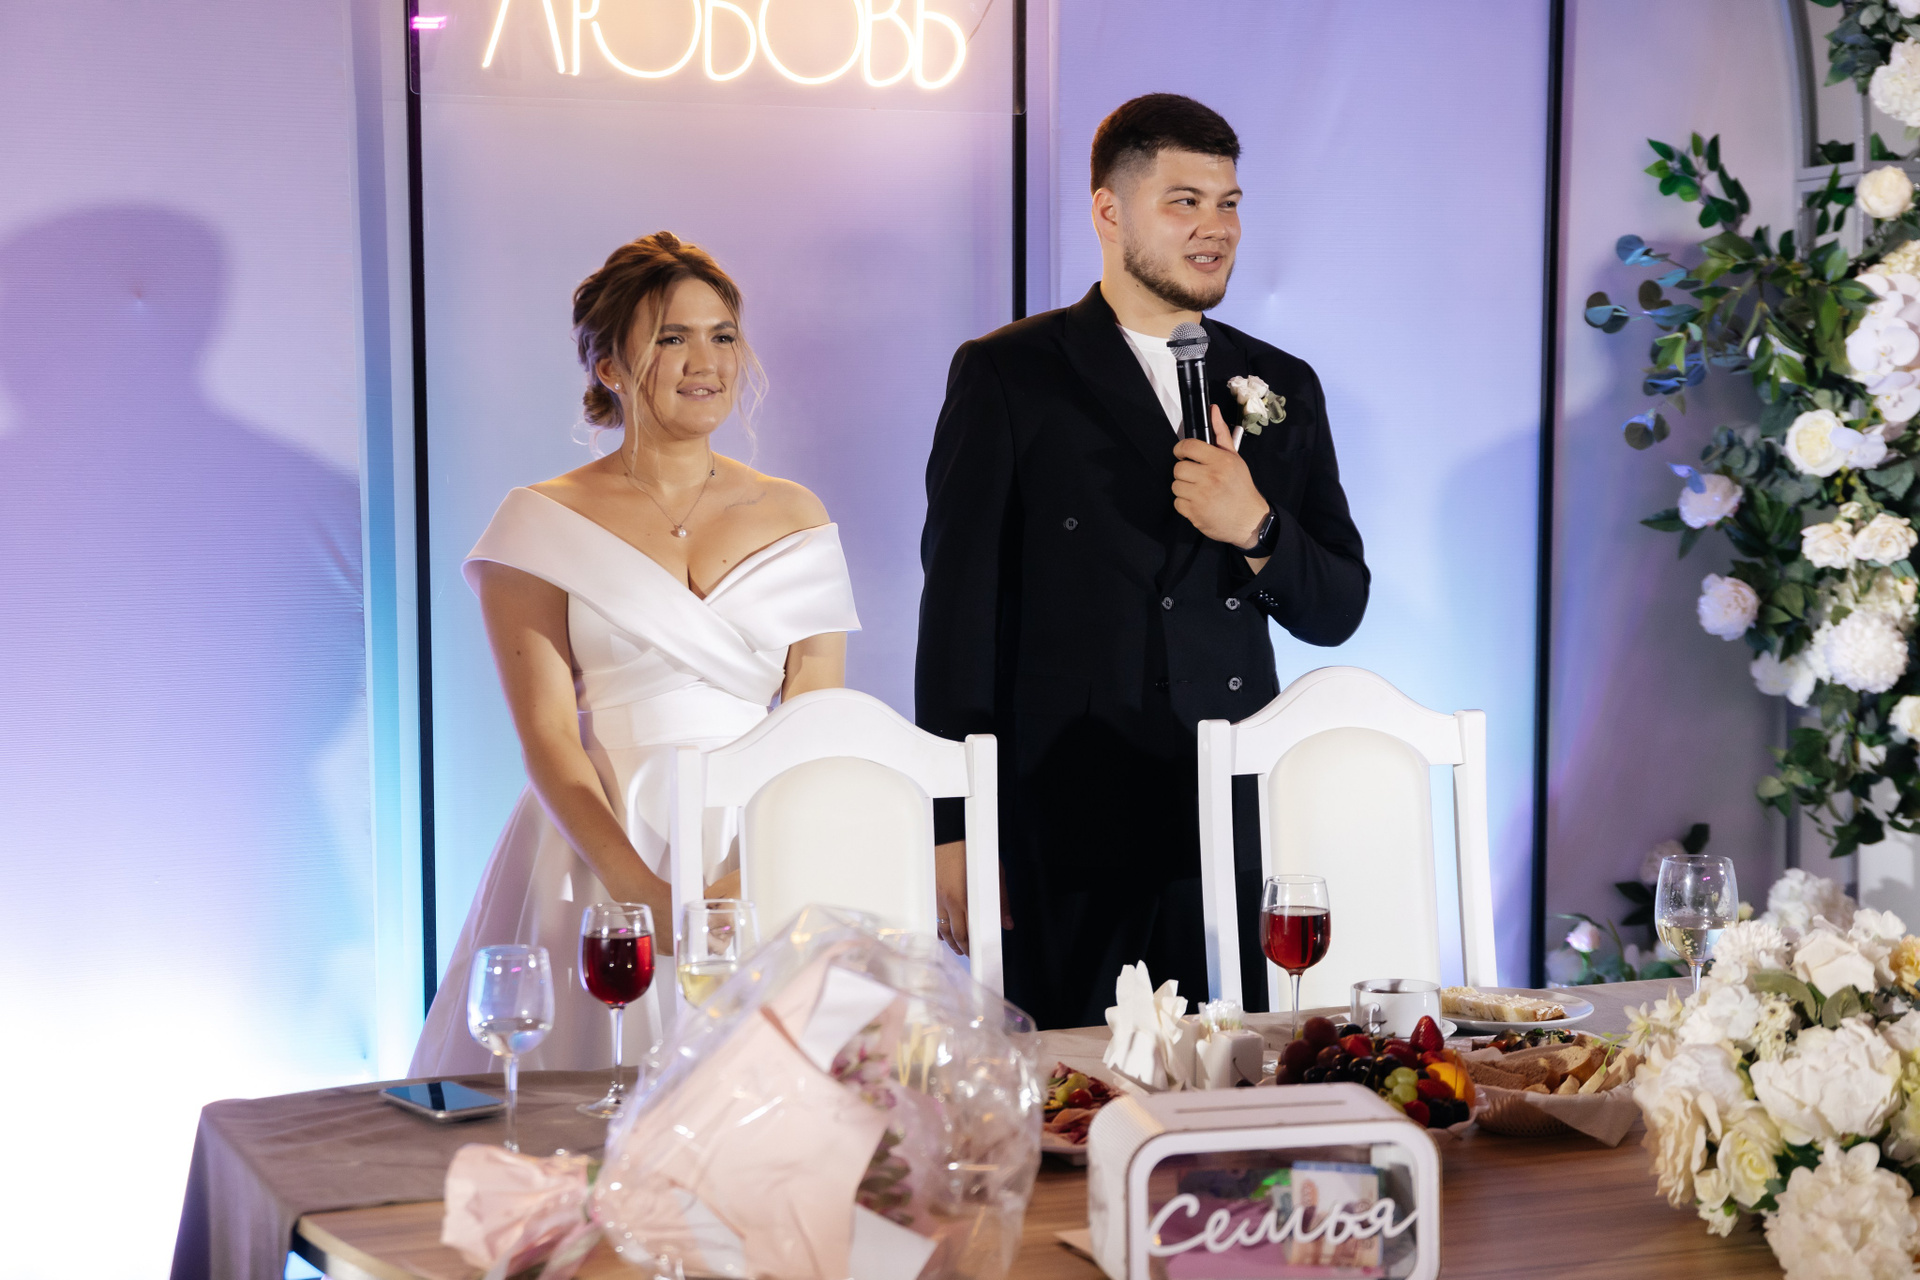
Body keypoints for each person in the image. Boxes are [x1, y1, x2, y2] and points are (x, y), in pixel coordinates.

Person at [915, 95, 1368, 1031]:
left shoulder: (1281, 382)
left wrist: (1256, 528)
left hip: (1231, 812)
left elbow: (1338, 608)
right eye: (1184, 202)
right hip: (1064, 817)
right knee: (1076, 1086)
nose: (1215, 228)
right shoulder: (1011, 374)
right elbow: (958, 620)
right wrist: (953, 828)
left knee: (1239, 1067)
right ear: (1108, 211)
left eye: (1229, 204)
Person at [411, 232, 859, 1074]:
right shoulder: (539, 522)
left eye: (723, 335)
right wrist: (639, 892)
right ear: (609, 366)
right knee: (587, 1094)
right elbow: (548, 734)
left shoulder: (795, 513)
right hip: (600, 841)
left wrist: (751, 870)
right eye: (671, 338)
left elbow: (816, 711)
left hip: (761, 837)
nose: (706, 362)